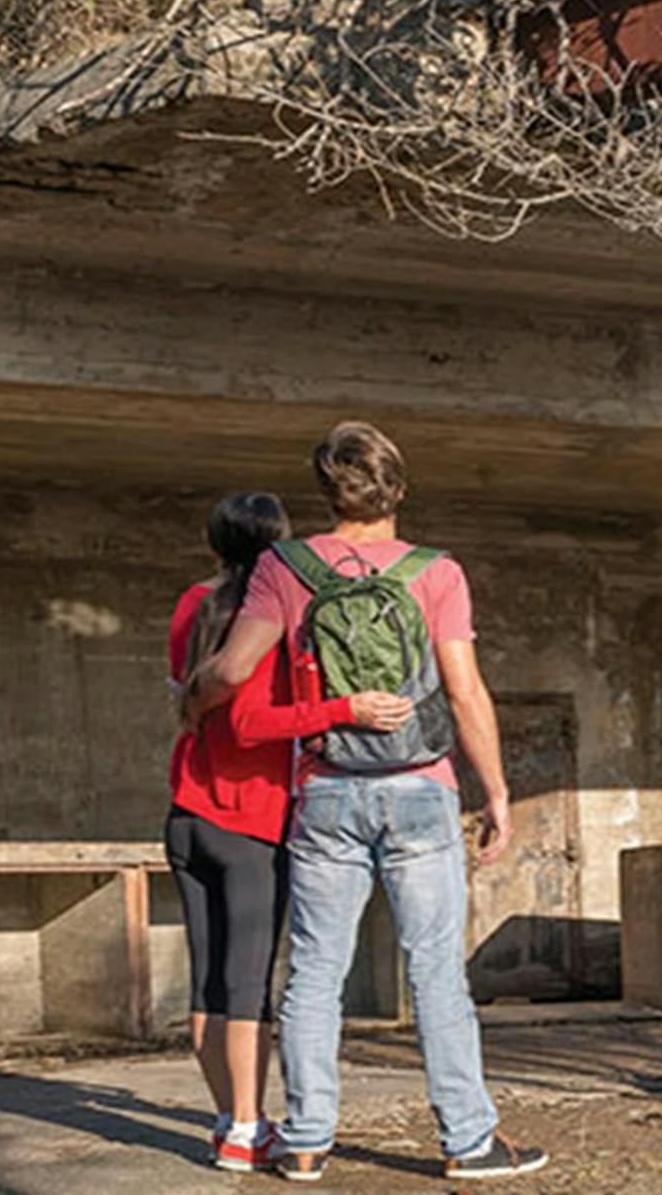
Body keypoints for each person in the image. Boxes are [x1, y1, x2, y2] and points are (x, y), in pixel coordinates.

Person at [187, 422, 546, 1183]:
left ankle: (308, 1140)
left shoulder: (284, 567)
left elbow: (234, 669)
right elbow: (464, 690)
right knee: (435, 971)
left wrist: (192, 698)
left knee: (315, 971)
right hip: (421, 788)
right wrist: (498, 792)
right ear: (399, 491)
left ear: (326, 492)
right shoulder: (437, 572)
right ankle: (468, 1142)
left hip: (326, 790)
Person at [166, 493, 411, 1173]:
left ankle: (229, 1120)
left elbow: (182, 692)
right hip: (252, 818)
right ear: (278, 544)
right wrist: (343, 708)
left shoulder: (192, 602)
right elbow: (251, 722)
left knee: (207, 983)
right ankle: (247, 1128)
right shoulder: (273, 610)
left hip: (186, 812)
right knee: (248, 984)